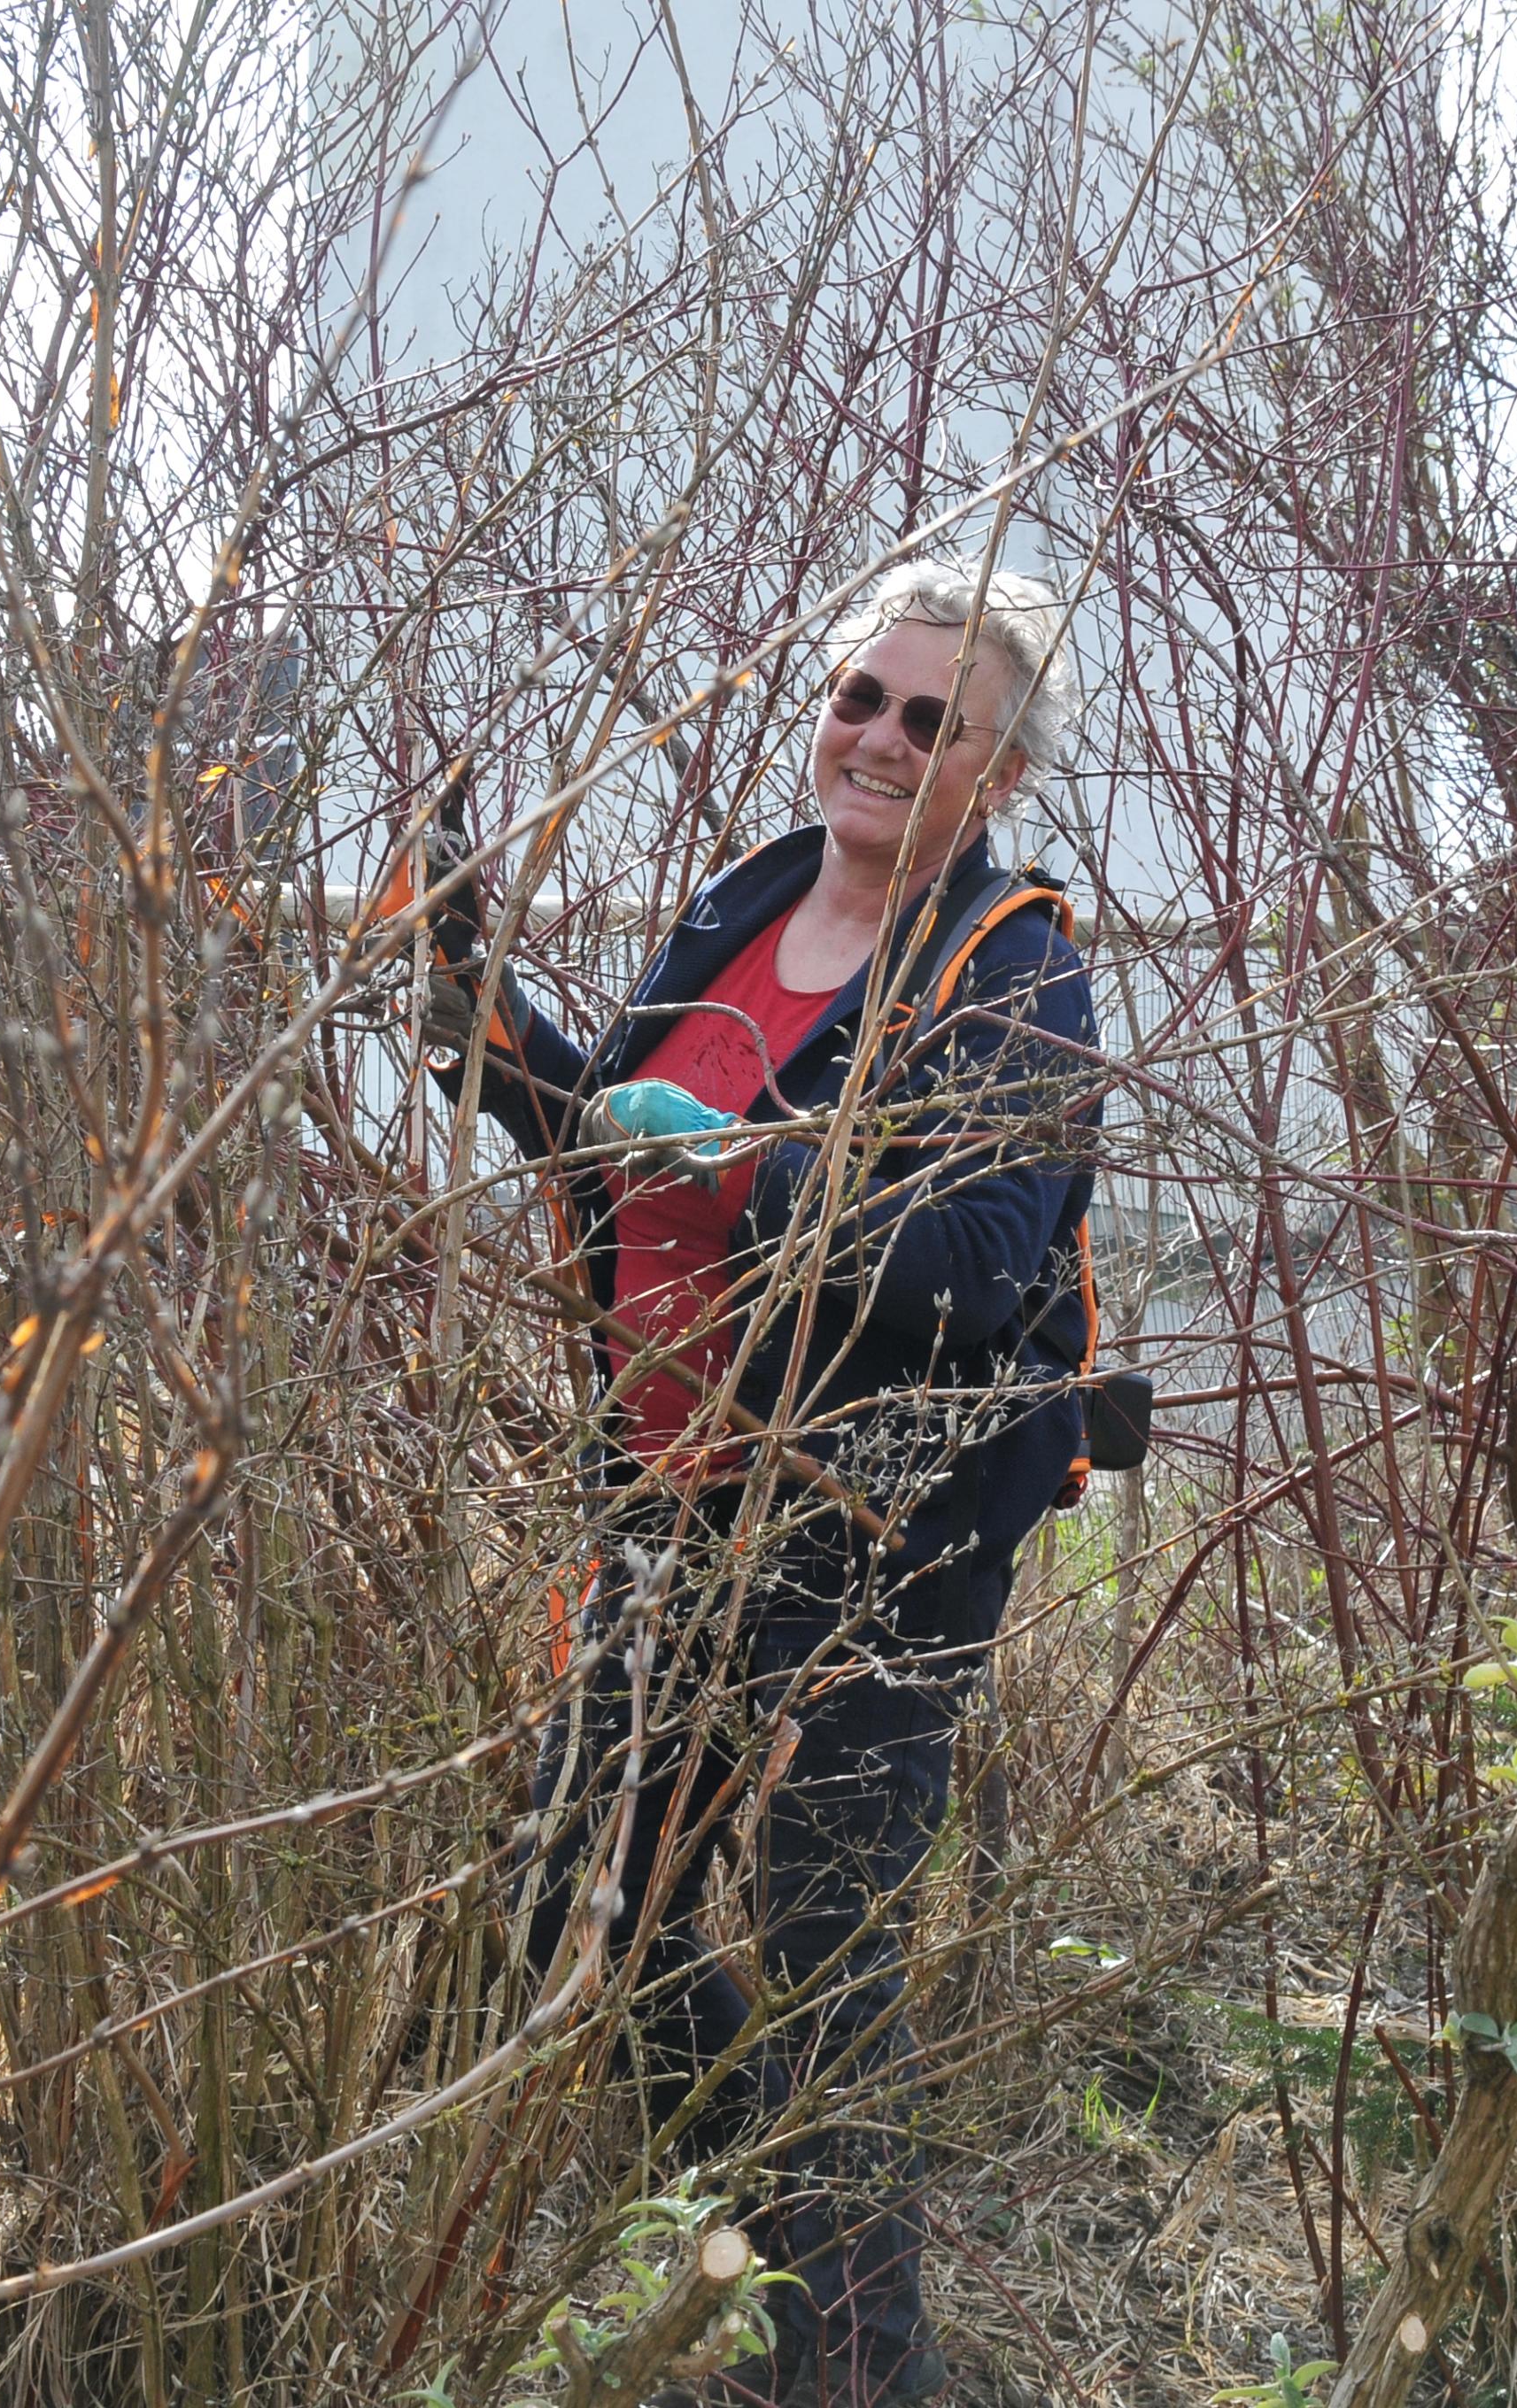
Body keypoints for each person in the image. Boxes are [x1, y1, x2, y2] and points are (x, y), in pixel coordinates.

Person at [424, 560, 1102, 2405]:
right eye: (859, 697)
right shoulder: (747, 899)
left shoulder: (1012, 973)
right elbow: (608, 1147)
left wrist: (746, 1168)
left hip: (878, 1530)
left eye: (930, 720)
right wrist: (477, 1013)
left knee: (820, 1960)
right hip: (673, 1501)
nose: (876, 737)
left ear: (998, 774)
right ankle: (777, 2252)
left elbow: (975, 1260)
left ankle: (863, 2373)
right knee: (581, 1898)